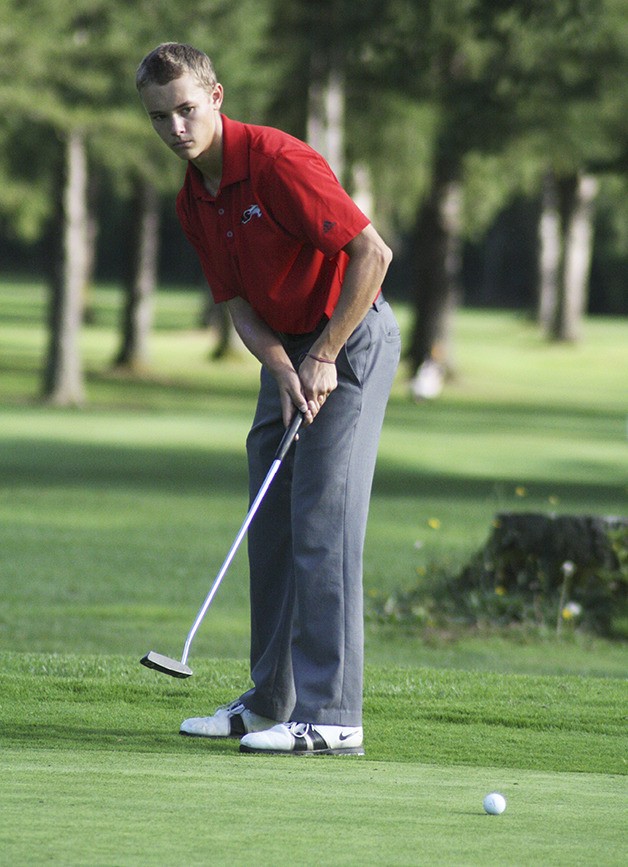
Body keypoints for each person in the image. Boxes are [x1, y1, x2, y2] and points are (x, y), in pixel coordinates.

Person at [136, 43, 400, 755]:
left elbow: (373, 254)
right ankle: (271, 702)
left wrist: (323, 354)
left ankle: (334, 715)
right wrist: (283, 362)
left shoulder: (279, 162)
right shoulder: (195, 195)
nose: (177, 130)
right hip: (289, 348)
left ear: (216, 97)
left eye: (187, 110)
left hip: (350, 335)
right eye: (160, 117)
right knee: (273, 520)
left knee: (322, 520)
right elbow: (239, 305)